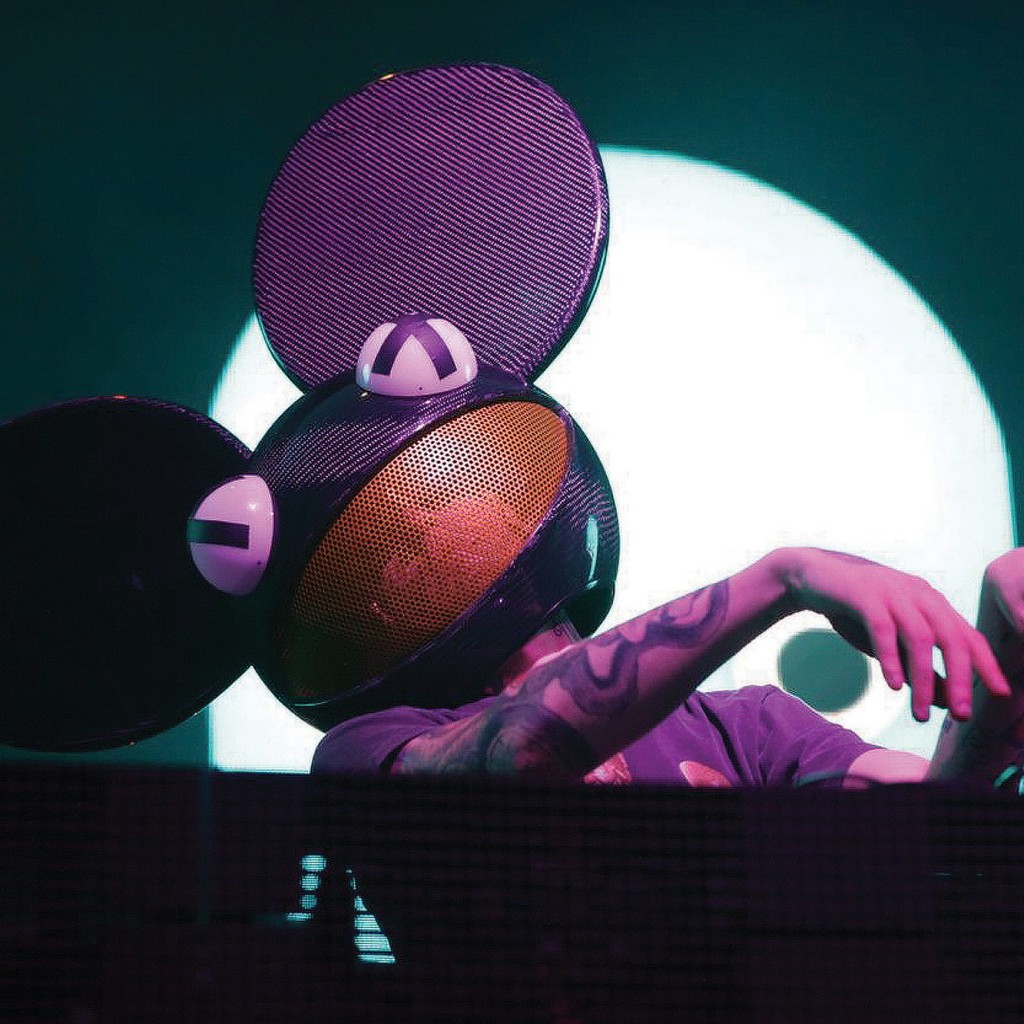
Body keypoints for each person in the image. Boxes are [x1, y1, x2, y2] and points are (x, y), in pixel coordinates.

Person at [312, 545, 1024, 789]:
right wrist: (783, 578)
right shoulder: (368, 744)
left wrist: (1007, 652)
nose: (452, 539)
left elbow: (936, 816)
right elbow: (522, 751)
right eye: (408, 546)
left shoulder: (749, 725)